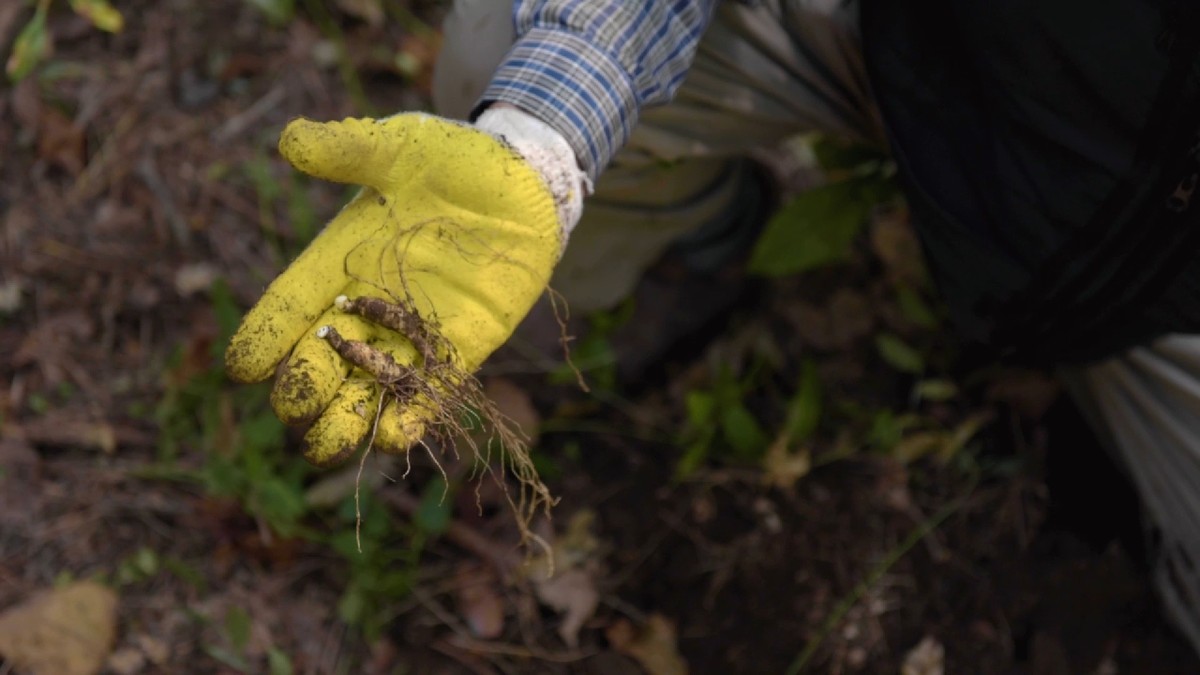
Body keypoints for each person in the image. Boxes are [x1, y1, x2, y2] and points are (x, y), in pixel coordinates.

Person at [224, 0, 1200, 656]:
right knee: (500, 46)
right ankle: (700, 250)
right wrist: (539, 135)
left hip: (1170, 278)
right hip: (936, 49)